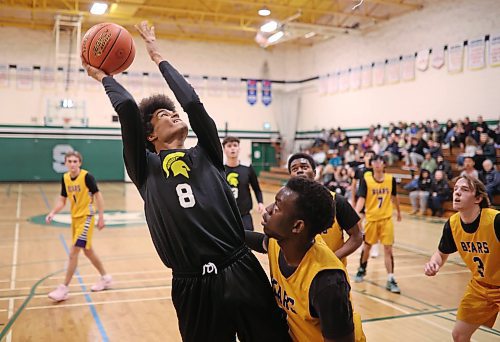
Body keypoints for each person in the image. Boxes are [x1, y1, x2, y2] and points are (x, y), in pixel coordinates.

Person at [82, 21, 289, 342]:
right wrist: (102, 76)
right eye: (162, 114)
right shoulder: (145, 168)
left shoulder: (208, 152)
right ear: (149, 135)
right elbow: (125, 107)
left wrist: (157, 56)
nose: (173, 113)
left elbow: (192, 103)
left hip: (241, 269)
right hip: (192, 284)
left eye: (171, 110)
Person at [245, 177, 366, 342]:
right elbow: (255, 241)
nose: (268, 209)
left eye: (277, 207)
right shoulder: (279, 241)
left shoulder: (327, 283)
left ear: (297, 226)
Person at [424, 175, 499, 342]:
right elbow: (441, 254)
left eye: (464, 190)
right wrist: (434, 263)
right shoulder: (452, 224)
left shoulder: (495, 220)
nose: (457, 193)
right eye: (455, 189)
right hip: (480, 287)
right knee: (459, 335)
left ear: (478, 198)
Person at [45, 151, 111, 301]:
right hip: (75, 219)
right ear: (66, 164)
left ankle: (64, 288)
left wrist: (101, 217)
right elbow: (62, 200)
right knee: (88, 251)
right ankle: (105, 278)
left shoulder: (87, 177)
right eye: (70, 161)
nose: (73, 164)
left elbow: (98, 196)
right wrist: (52, 212)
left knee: (73, 252)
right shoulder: (65, 178)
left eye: (75, 161)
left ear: (80, 163)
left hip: (87, 217)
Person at [287, 153, 362, 265]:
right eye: (294, 169)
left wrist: (333, 257)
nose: (299, 171)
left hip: (331, 274)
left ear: (314, 172)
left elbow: (357, 237)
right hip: (299, 273)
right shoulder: (286, 205)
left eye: (304, 167)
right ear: (291, 175)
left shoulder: (337, 201)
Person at [354, 155, 402, 293]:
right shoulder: (366, 180)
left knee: (388, 249)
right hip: (371, 219)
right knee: (367, 247)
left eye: (379, 161)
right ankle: (362, 268)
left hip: (386, 219)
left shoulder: (390, 179)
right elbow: (361, 199)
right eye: (374, 161)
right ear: (371, 164)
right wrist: (356, 214)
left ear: (384, 164)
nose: (377, 164)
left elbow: (394, 197)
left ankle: (391, 278)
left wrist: (398, 212)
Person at [222, 136, 265, 231]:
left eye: (235, 145)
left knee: (249, 241)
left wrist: (260, 202)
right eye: (229, 146)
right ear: (224, 149)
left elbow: (257, 189)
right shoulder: (220, 170)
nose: (232, 148)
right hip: (226, 215)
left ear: (239, 148)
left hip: (244, 214)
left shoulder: (247, 168)